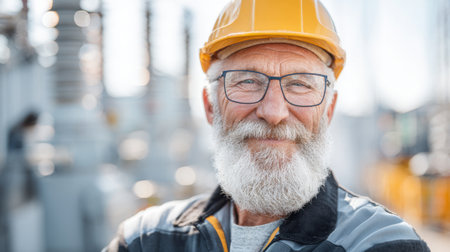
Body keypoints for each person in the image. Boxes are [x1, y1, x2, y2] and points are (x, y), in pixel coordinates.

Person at [104, 0, 430, 251]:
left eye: (300, 84)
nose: (274, 112)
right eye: (247, 80)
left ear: (328, 111)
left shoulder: (380, 243)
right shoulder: (147, 238)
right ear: (210, 107)